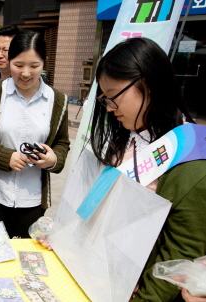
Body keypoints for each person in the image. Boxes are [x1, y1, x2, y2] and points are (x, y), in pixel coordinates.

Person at [88, 37, 206, 301]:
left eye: (113, 97)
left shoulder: (193, 159)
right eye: (104, 99)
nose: (108, 109)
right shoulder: (128, 137)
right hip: (103, 277)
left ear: (148, 84)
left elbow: (178, 259)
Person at [0, 30, 70, 238]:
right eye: (18, 65)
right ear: (9, 61)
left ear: (45, 62)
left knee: (26, 262)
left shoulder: (57, 100)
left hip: (33, 199)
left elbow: (62, 142)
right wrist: (5, 157)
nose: (25, 73)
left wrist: (53, 159)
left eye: (34, 66)